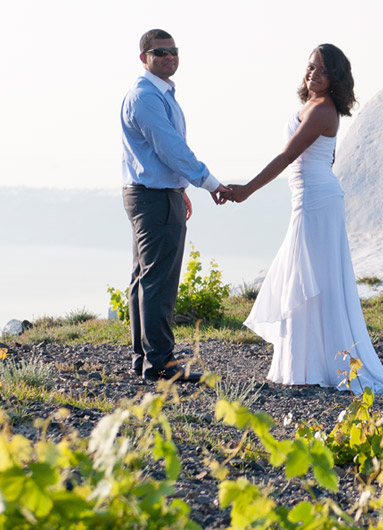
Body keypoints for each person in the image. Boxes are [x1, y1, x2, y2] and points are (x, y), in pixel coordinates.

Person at [222, 44, 383, 394]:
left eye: (322, 70)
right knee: (306, 278)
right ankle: (306, 363)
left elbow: (287, 156)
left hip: (316, 201)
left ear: (334, 78)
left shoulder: (323, 110)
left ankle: (318, 365)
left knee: (311, 280)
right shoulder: (312, 106)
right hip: (310, 197)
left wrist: (246, 189)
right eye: (311, 67)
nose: (313, 74)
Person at [121, 29, 228, 382]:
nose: (169, 57)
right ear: (144, 58)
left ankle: (145, 360)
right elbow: (170, 148)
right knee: (158, 283)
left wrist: (179, 189)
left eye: (173, 51)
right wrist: (208, 182)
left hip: (154, 192)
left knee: (145, 279)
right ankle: (161, 365)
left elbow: (157, 154)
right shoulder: (146, 97)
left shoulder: (159, 93)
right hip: (152, 197)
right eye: (160, 52)